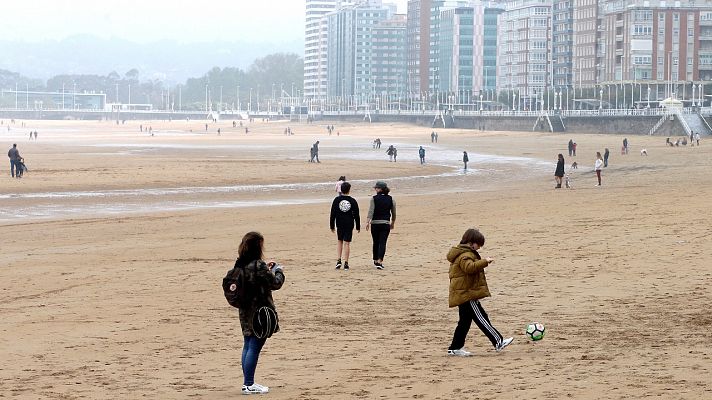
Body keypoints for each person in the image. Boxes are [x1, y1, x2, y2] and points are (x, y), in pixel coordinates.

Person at [446, 228, 513, 356]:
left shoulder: (462, 253)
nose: (479, 248)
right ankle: (498, 341)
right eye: (479, 245)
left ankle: (455, 347)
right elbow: (469, 268)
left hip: (463, 293)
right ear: (471, 242)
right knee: (482, 318)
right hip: (466, 294)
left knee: (464, 322)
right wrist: (484, 261)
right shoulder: (465, 255)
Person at [234, 232, 285, 395]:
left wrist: (267, 268)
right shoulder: (258, 265)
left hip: (245, 310)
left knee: (248, 344)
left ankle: (247, 382)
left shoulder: (240, 264)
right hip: (261, 311)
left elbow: (254, 278)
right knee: (254, 346)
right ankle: (249, 383)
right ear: (258, 246)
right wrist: (278, 271)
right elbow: (275, 283)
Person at [330, 182, 360, 271]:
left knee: (340, 241)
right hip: (349, 223)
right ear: (349, 190)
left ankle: (339, 260)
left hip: (339, 223)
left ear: (341, 189)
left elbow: (333, 213)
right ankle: (346, 262)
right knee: (347, 243)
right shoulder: (352, 201)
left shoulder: (336, 200)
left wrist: (332, 225)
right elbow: (356, 214)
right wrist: (358, 225)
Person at [366, 181, 396, 270]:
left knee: (376, 242)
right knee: (382, 242)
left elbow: (371, 211)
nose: (375, 189)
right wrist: (393, 222)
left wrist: (367, 222)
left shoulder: (373, 198)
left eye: (377, 188)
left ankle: (375, 259)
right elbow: (393, 213)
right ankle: (379, 261)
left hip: (375, 223)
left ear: (381, 189)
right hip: (385, 223)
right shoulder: (391, 199)